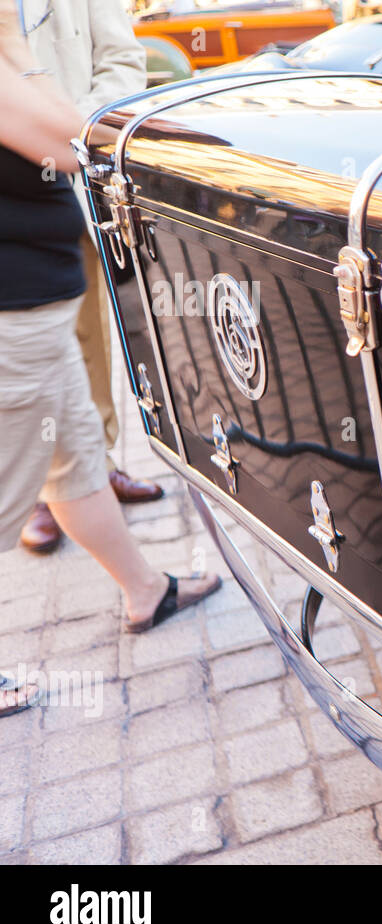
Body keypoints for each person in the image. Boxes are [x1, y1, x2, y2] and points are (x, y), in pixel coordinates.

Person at [0, 9, 221, 717]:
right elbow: (69, 143)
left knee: (72, 456)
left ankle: (146, 592)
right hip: (12, 318)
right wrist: (13, 48)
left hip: (38, 308)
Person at [16, 0, 165, 554]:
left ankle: (96, 468)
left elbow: (122, 60)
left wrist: (69, 129)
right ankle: (37, 489)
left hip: (71, 173)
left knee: (89, 335)